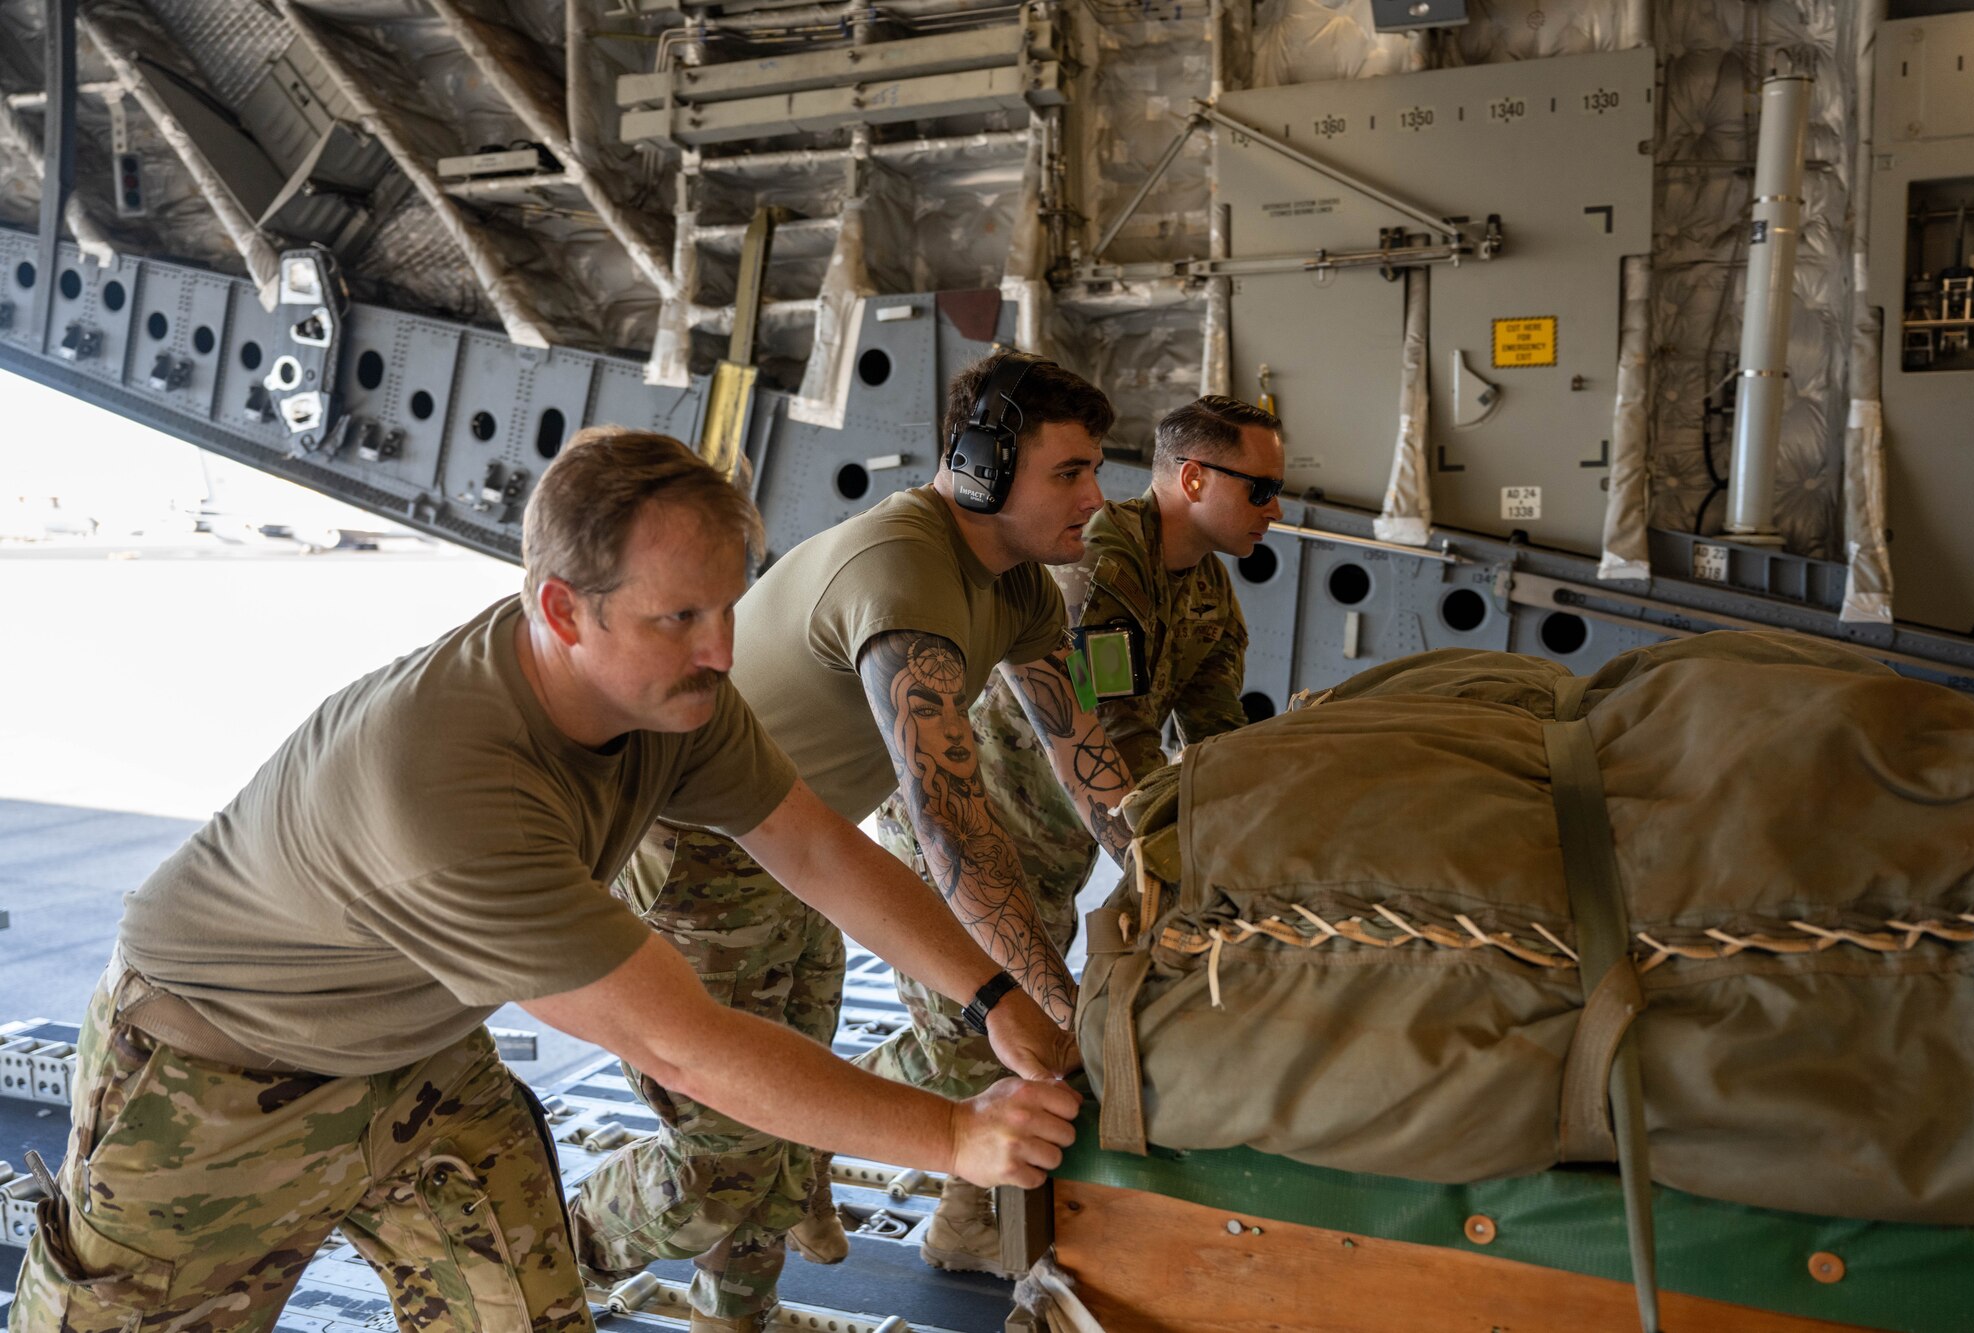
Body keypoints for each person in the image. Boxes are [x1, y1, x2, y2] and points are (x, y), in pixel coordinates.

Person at [9, 427, 1079, 1333]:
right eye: (678, 619)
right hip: (220, 1065)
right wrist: (952, 1136)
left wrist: (987, 998)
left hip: (420, 1047)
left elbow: (814, 847)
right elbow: (679, 1043)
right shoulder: (447, 785)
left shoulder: (669, 697)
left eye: (728, 609)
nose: (720, 650)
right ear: (563, 612)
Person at [569, 354, 1138, 1331]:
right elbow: (949, 820)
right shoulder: (903, 565)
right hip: (696, 866)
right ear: (980, 465)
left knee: (788, 1124)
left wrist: (1168, 867)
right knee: (719, 1164)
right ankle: (557, 1250)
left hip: (804, 858)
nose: (1096, 497)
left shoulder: (1024, 592)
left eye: (1095, 469)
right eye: (1068, 473)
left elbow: (1082, 752)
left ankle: (730, 1316)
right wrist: (1045, 999)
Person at [861, 394, 1285, 1273]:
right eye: (1262, 489)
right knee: (962, 1045)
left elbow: (1211, 747)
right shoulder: (1098, 566)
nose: (1275, 510)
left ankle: (962, 1223)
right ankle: (785, 1135)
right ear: (1195, 477)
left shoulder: (1210, 599)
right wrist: (1169, 861)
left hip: (1049, 860)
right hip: (963, 844)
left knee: (1014, 1055)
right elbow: (1108, 730)